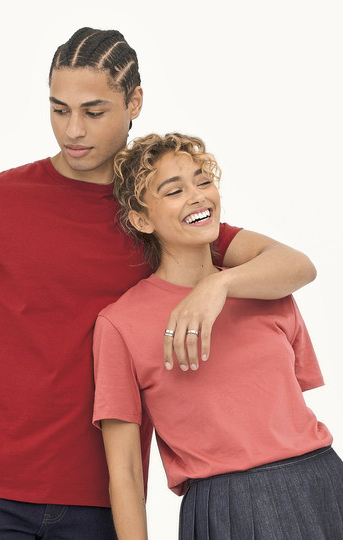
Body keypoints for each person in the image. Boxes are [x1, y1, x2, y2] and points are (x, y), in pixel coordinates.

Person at [0, 28, 316, 540]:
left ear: (134, 103)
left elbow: (293, 265)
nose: (73, 130)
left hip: (104, 496)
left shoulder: (157, 214)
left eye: (93, 111)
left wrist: (216, 286)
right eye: (59, 109)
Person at [93, 132, 343, 540]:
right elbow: (125, 472)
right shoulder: (120, 324)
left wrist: (217, 284)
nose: (197, 197)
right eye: (174, 190)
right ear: (141, 220)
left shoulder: (265, 289)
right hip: (226, 505)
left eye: (203, 182)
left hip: (323, 481)